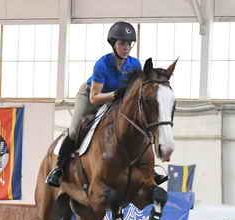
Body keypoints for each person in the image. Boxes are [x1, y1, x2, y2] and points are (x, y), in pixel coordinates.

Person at [46, 21, 168, 187]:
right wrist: (113, 95)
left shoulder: (135, 64)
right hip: (92, 96)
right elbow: (94, 98)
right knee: (75, 130)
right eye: (122, 43)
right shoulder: (102, 64)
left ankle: (149, 170)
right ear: (113, 44)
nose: (126, 47)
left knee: (136, 128)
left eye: (129, 44)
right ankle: (58, 169)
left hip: (117, 101)